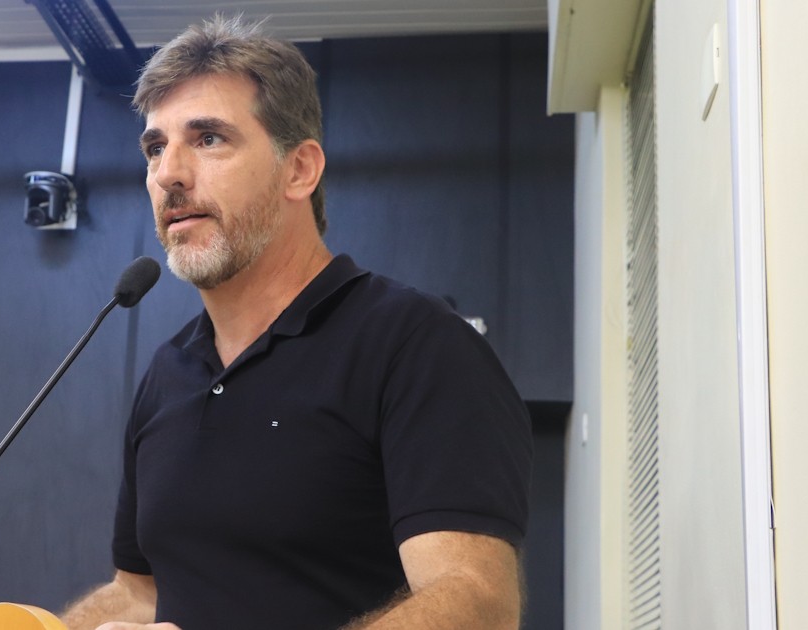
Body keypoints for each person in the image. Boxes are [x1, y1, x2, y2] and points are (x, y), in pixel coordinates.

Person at [61, 14, 532, 630]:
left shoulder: (415, 342)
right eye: (155, 147)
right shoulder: (166, 374)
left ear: (300, 170)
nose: (169, 173)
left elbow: (476, 601)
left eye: (208, 139)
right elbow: (138, 592)